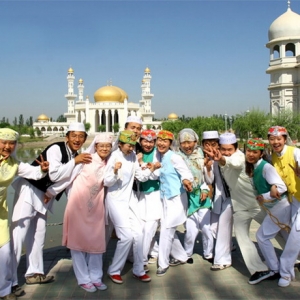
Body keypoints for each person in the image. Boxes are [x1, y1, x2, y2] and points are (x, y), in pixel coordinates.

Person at [11, 122, 92, 286]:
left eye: (81, 136)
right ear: (67, 137)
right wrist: (74, 162)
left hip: (44, 196)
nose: (77, 139)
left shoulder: (75, 155)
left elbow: (68, 180)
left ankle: (34, 272)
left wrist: (52, 192)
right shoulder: (57, 149)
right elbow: (55, 174)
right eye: (74, 135)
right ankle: (8, 280)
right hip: (30, 189)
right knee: (19, 234)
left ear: (84, 139)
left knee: (38, 234)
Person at [204, 132, 277, 284]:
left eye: (229, 149)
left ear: (236, 149)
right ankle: (259, 269)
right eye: (223, 149)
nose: (225, 152)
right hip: (239, 206)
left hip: (256, 204)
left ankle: (295, 256)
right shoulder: (219, 159)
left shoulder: (238, 157)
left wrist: (222, 159)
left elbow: (234, 163)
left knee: (279, 230)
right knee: (242, 237)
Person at [0, 128, 49, 300]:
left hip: (1, 212)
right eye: (3, 142)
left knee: (5, 252)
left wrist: (42, 169)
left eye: (11, 143)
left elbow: (32, 173)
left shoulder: (13, 163)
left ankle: (4, 290)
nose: (7, 146)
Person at [104, 130, 158, 284]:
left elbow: (140, 177)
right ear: (120, 144)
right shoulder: (114, 157)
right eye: (128, 145)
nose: (131, 148)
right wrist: (115, 171)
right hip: (115, 200)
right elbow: (106, 182)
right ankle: (114, 270)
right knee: (126, 237)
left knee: (140, 234)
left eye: (133, 145)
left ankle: (138, 270)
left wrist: (151, 168)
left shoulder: (133, 156)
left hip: (130, 199)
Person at [62, 133, 113, 292]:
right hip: (78, 206)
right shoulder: (85, 160)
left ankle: (96, 277)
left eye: (108, 146)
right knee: (78, 245)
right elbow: (66, 179)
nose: (104, 148)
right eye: (101, 145)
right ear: (95, 147)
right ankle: (83, 279)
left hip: (96, 207)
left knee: (96, 242)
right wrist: (50, 192)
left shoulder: (108, 164)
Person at [245, 137, 290, 282]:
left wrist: (263, 196)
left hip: (280, 206)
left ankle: (274, 269)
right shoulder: (255, 167)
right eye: (248, 151)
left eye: (254, 152)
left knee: (261, 237)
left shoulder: (266, 167)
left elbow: (281, 187)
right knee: (288, 237)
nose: (250, 154)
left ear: (261, 153)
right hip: (275, 207)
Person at [155, 130, 193, 277]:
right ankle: (182, 256)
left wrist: (186, 180)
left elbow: (186, 173)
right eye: (159, 140)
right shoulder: (160, 157)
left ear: (170, 143)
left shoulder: (174, 157)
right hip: (165, 198)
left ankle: (162, 264)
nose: (161, 143)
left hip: (176, 199)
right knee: (168, 229)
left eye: (165, 141)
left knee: (166, 231)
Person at [267, 126, 300, 287]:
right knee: (289, 230)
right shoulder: (273, 155)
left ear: (285, 139)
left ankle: (286, 272)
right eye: (272, 139)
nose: (275, 142)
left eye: (279, 139)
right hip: (292, 199)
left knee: (296, 234)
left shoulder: (295, 152)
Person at [176, 128, 213, 263]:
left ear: (195, 141)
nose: (187, 146)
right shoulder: (176, 157)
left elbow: (206, 178)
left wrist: (204, 190)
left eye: (189, 142)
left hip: (202, 196)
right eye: (183, 142)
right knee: (191, 231)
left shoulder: (202, 154)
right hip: (187, 198)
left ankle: (208, 253)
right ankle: (187, 253)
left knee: (206, 228)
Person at [202, 131, 233, 271]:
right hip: (219, 198)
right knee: (214, 227)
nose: (210, 147)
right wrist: (208, 167)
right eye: (207, 144)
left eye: (214, 144)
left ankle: (222, 259)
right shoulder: (208, 159)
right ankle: (228, 245)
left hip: (233, 198)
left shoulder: (231, 157)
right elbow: (210, 180)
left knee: (223, 227)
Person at [136, 130, 162, 271]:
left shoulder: (158, 155)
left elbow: (155, 175)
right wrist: (147, 167)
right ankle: (155, 251)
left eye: (151, 141)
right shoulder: (136, 154)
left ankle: (142, 260)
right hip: (141, 195)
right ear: (140, 141)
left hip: (155, 195)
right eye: (145, 141)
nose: (148, 144)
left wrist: (142, 165)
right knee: (141, 228)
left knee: (149, 228)